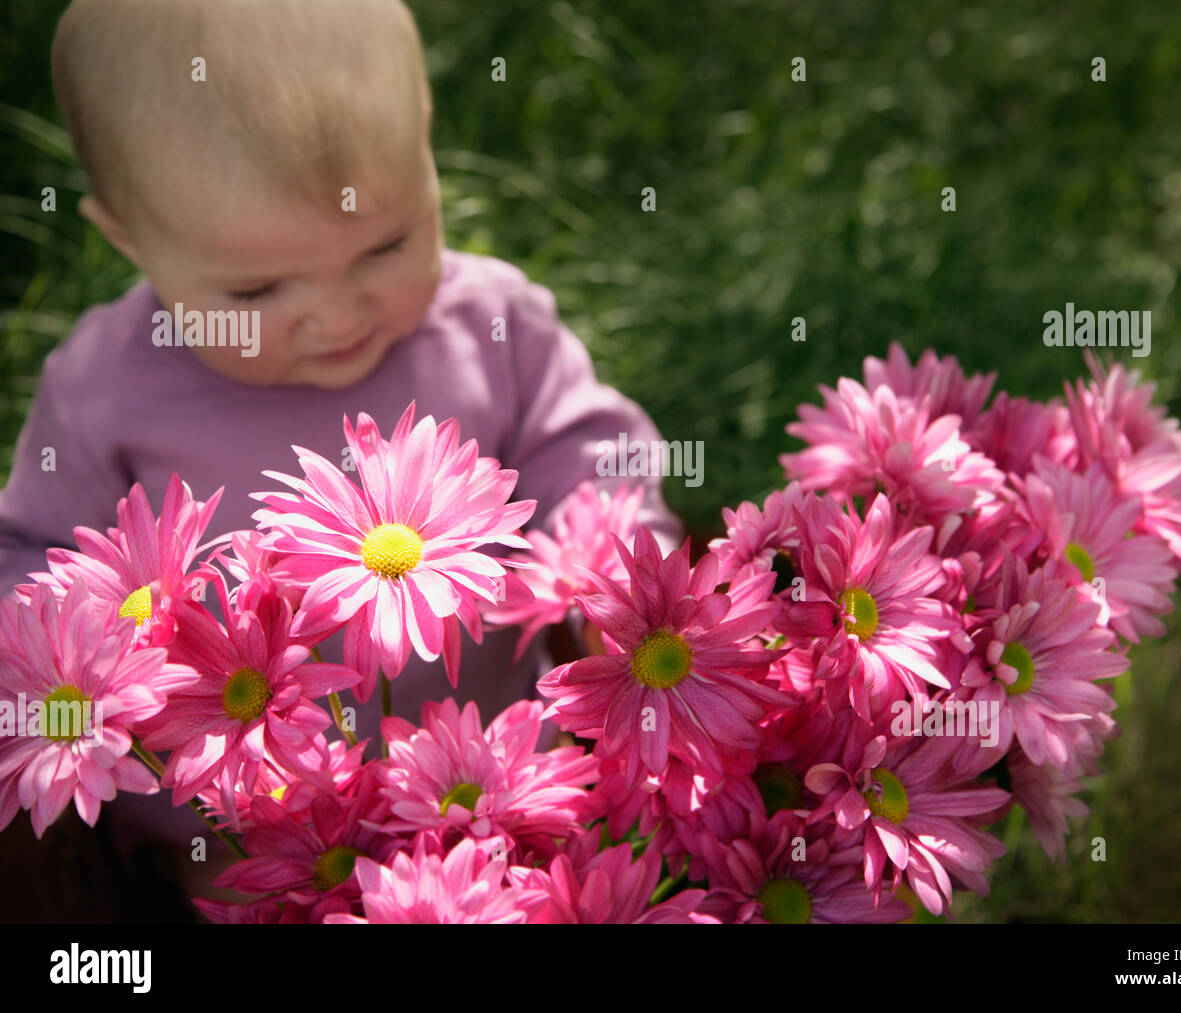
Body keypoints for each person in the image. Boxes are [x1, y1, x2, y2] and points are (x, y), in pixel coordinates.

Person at [0, 0, 680, 908]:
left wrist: (609, 567)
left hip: (492, 793)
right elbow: (27, 558)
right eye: (256, 287)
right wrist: (98, 652)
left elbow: (593, 451)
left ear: (430, 152)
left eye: (388, 241)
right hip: (233, 835)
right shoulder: (103, 388)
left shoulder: (493, 326)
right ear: (128, 237)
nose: (339, 311)